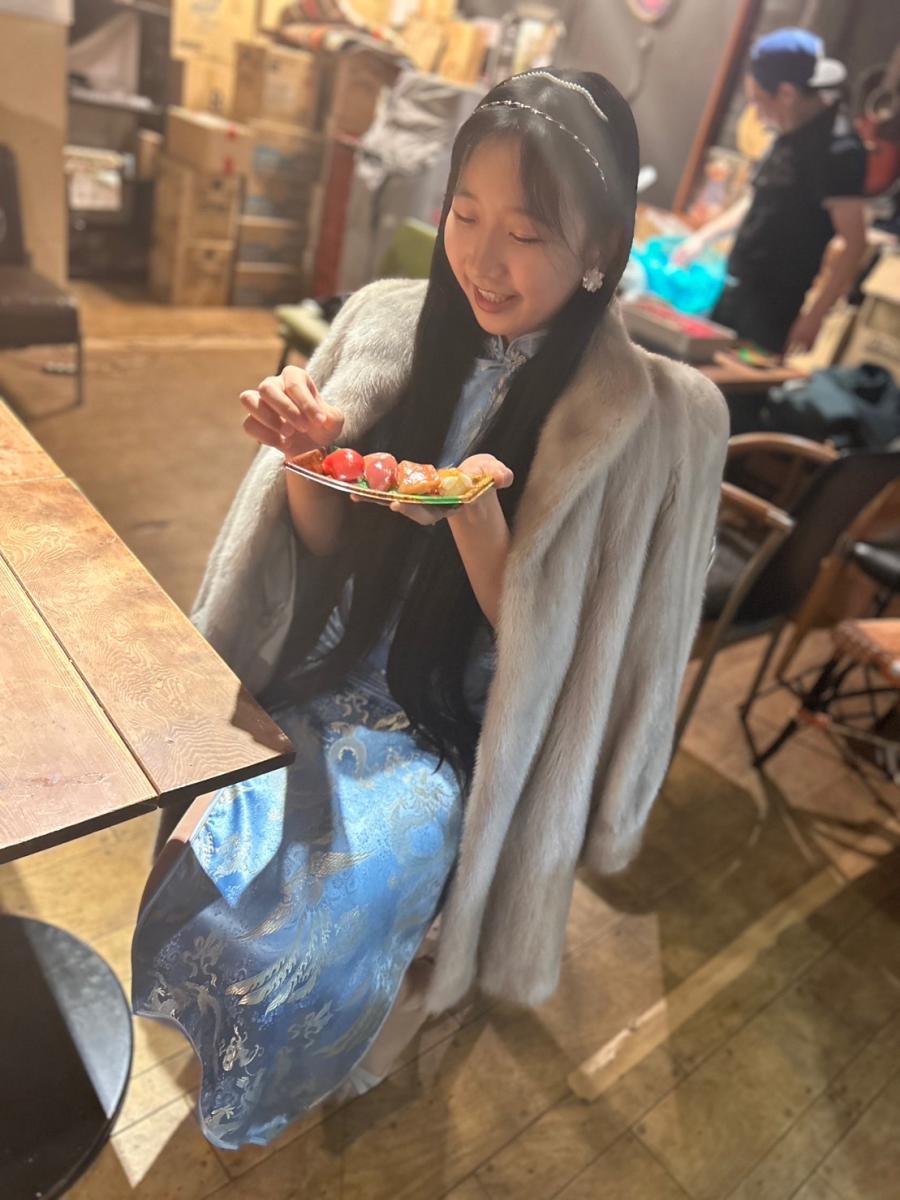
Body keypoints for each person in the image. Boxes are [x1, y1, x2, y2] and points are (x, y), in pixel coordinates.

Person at [131, 69, 728, 1150]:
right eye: (464, 214)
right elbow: (326, 559)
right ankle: (236, 1039)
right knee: (195, 864)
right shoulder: (386, 324)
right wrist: (309, 459)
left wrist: (479, 525)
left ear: (601, 249)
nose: (483, 261)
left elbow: (568, 671)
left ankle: (332, 1052)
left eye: (528, 233)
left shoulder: (657, 422)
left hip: (457, 729)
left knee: (299, 944)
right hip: (326, 670)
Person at [675, 28, 868, 355]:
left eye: (758, 100)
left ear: (787, 94)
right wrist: (702, 237)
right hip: (738, 283)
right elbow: (758, 197)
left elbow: (854, 242)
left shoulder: (840, 149)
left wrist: (815, 317)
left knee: (737, 383)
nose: (755, 111)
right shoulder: (788, 128)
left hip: (774, 306)